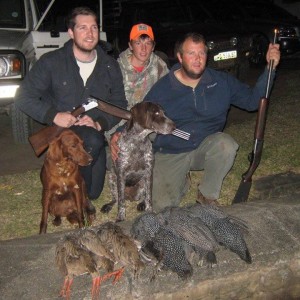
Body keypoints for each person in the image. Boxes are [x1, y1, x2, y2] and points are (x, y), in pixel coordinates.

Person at [111, 32, 280, 212]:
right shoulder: (164, 87)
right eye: (191, 53)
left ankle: (207, 194)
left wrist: (270, 68)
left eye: (202, 53)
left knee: (226, 145)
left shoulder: (221, 81)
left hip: (205, 147)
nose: (198, 59)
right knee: (161, 206)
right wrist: (120, 132)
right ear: (180, 57)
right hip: (172, 151)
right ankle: (182, 181)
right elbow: (142, 115)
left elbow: (253, 101)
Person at [15, 7, 127, 208]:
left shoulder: (110, 65)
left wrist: (100, 123)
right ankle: (69, 178)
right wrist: (53, 115)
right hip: (62, 133)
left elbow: (119, 104)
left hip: (93, 133)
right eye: (82, 28)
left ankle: (79, 171)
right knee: (87, 188)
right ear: (71, 32)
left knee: (94, 192)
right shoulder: (51, 61)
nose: (90, 33)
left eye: (93, 27)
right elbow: (23, 97)